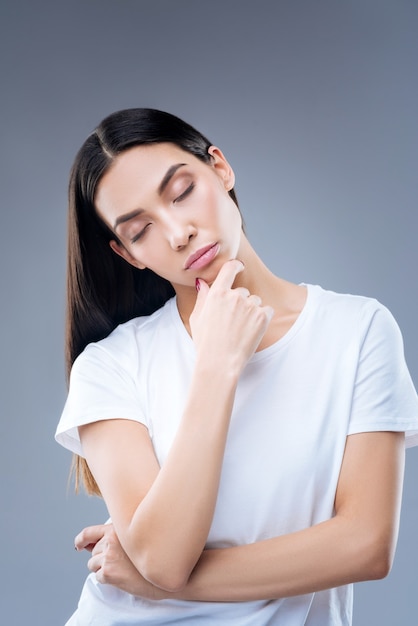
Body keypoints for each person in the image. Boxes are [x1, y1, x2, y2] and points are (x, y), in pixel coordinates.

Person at [55, 107, 418, 626]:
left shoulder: (358, 331)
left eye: (181, 192)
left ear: (220, 168)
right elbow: (163, 556)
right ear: (128, 254)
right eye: (141, 231)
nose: (178, 232)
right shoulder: (110, 366)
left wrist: (158, 583)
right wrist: (216, 369)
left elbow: (366, 545)